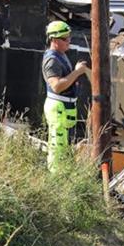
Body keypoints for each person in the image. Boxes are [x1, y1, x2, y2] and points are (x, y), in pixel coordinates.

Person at [42, 20, 89, 173]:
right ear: (54, 40)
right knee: (57, 147)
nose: (69, 41)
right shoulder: (52, 59)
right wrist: (77, 72)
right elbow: (56, 86)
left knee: (64, 146)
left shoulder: (61, 55)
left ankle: (62, 175)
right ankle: (56, 179)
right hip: (58, 107)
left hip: (65, 108)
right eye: (64, 38)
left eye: (69, 37)